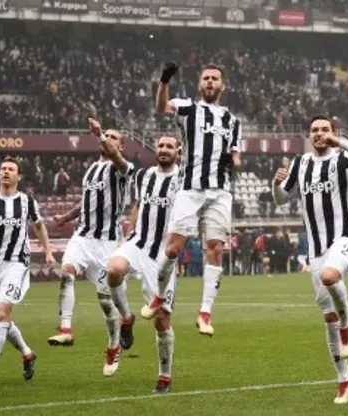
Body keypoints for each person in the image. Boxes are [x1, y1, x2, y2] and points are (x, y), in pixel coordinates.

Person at [271, 115, 348, 404]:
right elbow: (281, 199)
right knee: (327, 317)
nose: (319, 134)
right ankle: (344, 381)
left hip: (344, 237)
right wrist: (275, 184)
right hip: (316, 247)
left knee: (330, 277)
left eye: (325, 129)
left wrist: (340, 142)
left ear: (333, 132)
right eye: (314, 130)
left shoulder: (344, 159)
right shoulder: (300, 164)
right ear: (309, 135)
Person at [145, 62, 242, 336]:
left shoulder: (233, 121)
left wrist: (233, 162)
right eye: (206, 78)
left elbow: (237, 158)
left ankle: (205, 313)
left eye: (215, 78)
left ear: (223, 85)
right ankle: (158, 296)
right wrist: (164, 81)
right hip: (190, 189)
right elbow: (162, 108)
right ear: (200, 84)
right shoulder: (188, 108)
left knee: (215, 249)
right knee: (173, 249)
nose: (210, 81)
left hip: (220, 191)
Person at [48, 119, 136, 377]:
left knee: (106, 301)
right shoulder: (91, 170)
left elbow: (116, 158)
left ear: (121, 146)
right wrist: (65, 218)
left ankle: (113, 345)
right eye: (106, 135)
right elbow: (86, 201)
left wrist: (100, 136)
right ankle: (66, 329)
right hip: (83, 237)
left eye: (113, 137)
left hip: (107, 243)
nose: (108, 138)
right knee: (67, 271)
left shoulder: (123, 168)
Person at [104, 136, 180, 393]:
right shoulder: (143, 176)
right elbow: (118, 161)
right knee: (113, 269)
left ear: (178, 152)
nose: (164, 150)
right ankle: (126, 318)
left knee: (161, 321)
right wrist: (101, 137)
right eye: (161, 146)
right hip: (138, 243)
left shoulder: (183, 181)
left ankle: (164, 377)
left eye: (169, 146)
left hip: (162, 255)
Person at [0, 156, 56, 386]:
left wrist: (48, 251)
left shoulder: (26, 201)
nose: (6, 172)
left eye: (11, 169)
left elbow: (39, 226)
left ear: (19, 176)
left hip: (16, 263)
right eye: (3, 168)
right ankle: (27, 353)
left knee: (2, 314)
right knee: (0, 318)